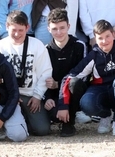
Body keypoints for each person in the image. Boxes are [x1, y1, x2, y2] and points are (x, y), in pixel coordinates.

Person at [61, 20, 115, 137]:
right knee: (86, 103)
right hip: (101, 88)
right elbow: (71, 76)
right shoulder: (93, 55)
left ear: (113, 34)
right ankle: (105, 116)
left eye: (107, 36)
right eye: (100, 38)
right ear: (95, 38)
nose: (104, 41)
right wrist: (62, 104)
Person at [0, 10, 53, 136]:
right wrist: (8, 96)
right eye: (13, 30)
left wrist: (37, 96)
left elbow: (45, 71)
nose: (17, 34)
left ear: (27, 27)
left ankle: (25, 121)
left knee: (42, 130)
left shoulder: (37, 45)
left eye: (21, 30)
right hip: (7, 96)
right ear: (6, 27)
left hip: (29, 95)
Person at [43, 8, 87, 137]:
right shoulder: (46, 50)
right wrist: (47, 98)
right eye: (54, 29)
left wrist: (58, 84)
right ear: (48, 29)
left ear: (68, 26)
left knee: (75, 82)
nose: (59, 32)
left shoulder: (79, 46)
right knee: (54, 114)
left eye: (62, 28)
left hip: (75, 91)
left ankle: (69, 123)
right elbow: (43, 78)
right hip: (56, 95)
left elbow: (83, 75)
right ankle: (61, 116)